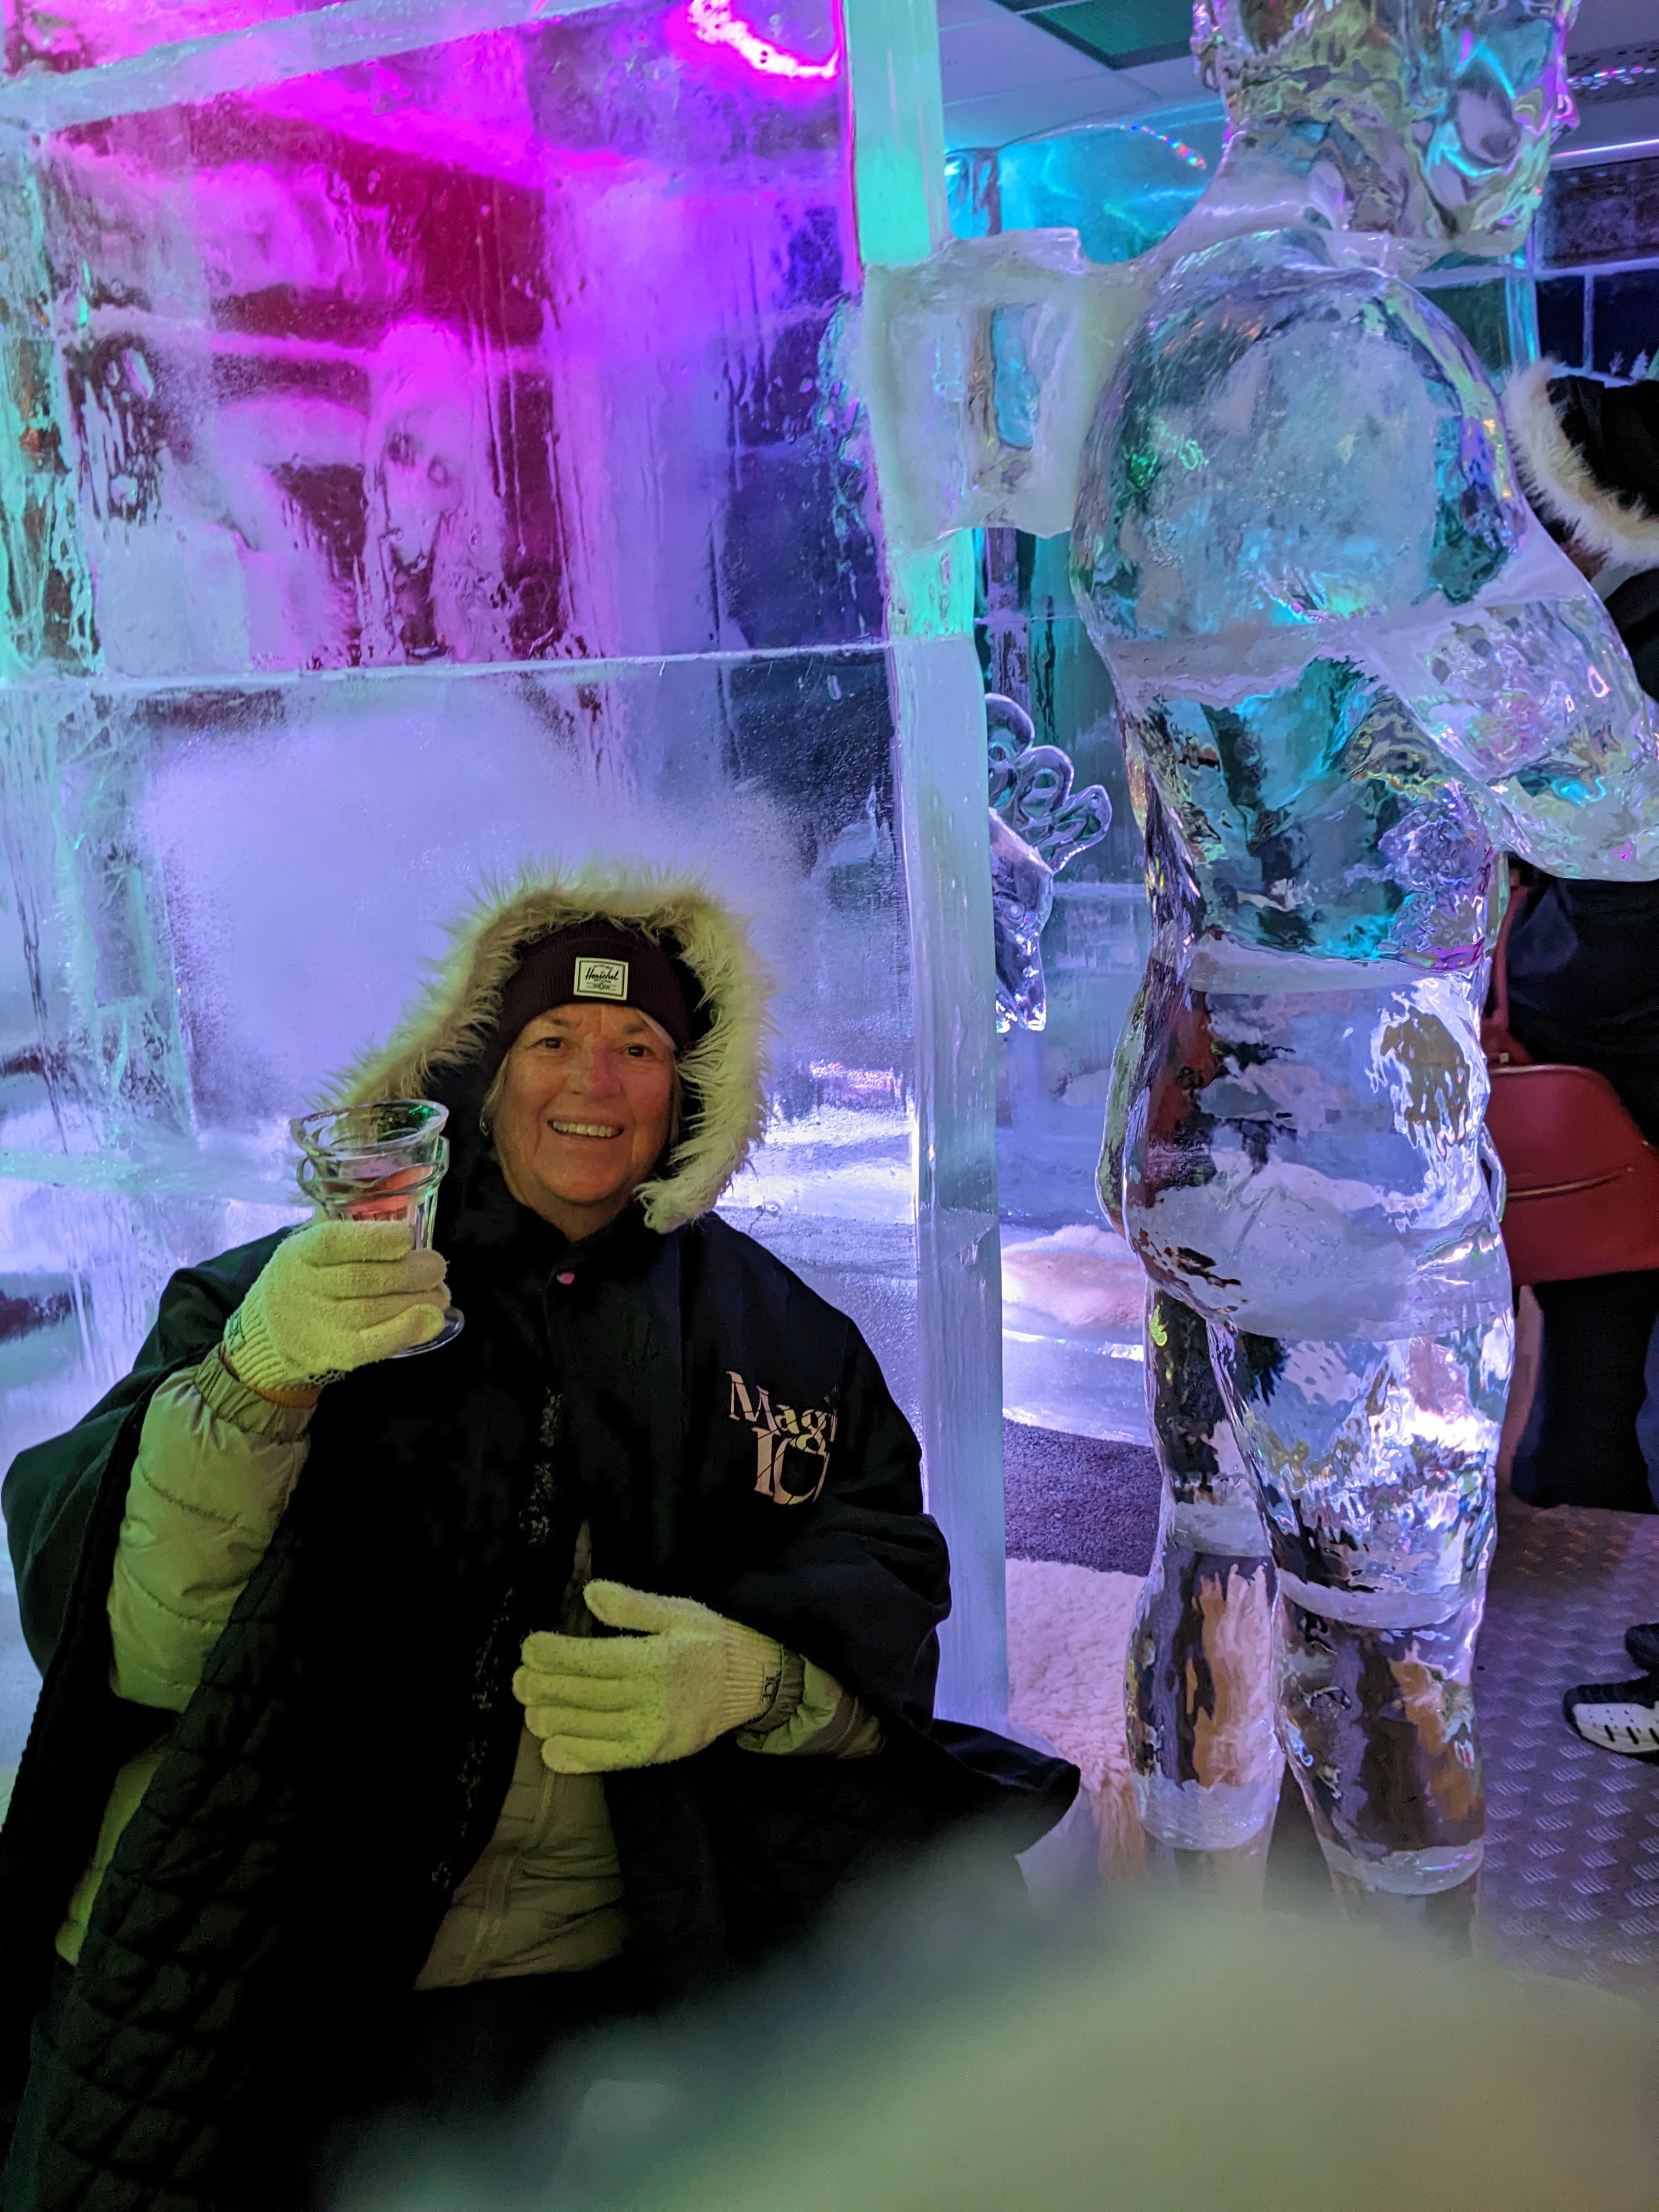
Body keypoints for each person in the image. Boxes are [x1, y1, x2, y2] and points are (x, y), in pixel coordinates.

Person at [0, 862, 1075, 2212]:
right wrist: (252, 1384)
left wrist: (762, 1680)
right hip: (269, 1925)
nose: (594, 1082)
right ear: (479, 1070)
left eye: (640, 1047)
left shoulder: (786, 1347)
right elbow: (141, 1645)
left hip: (590, 1968)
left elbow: (891, 1589)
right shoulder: (293, 1290)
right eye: (553, 1038)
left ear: (689, 1089)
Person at [1067, 0, 1659, 1911]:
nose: (1547, 123)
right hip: (1349, 1144)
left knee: (1217, 1565)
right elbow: (1596, 787)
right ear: (1427, 57)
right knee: (1391, 1655)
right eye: (1531, 65)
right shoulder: (1346, 354)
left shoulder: (1164, 333)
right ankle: (1400, 2070)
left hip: (1194, 1081)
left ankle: (1192, 2008)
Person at [1496, 361, 1659, 1519]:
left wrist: (1510, 959)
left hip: (1626, 1069)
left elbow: (1622, 909)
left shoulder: (1636, 649)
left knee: (1603, 1393)